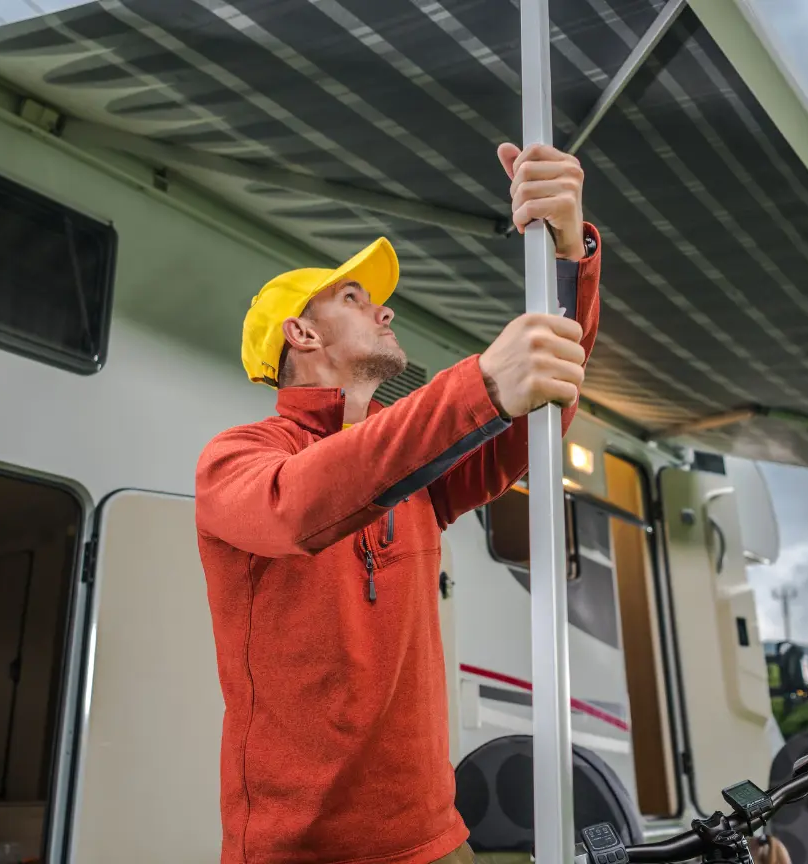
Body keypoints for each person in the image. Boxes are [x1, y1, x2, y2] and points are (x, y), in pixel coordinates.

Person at [194, 142, 602, 864]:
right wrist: (478, 384)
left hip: (434, 840)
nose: (382, 309)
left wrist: (570, 257)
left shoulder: (410, 468)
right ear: (303, 333)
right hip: (302, 853)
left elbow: (540, 403)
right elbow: (296, 505)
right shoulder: (238, 458)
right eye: (353, 298)